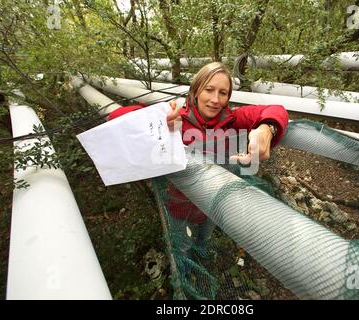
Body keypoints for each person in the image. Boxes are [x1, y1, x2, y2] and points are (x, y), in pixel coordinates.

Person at [108, 62, 288, 264]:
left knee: (205, 235)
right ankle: (184, 263)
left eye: (222, 93)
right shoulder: (177, 118)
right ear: (195, 90)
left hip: (213, 204)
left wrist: (267, 129)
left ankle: (202, 251)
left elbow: (277, 110)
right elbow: (114, 117)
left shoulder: (233, 120)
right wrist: (160, 117)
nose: (215, 100)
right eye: (209, 90)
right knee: (181, 242)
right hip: (178, 206)